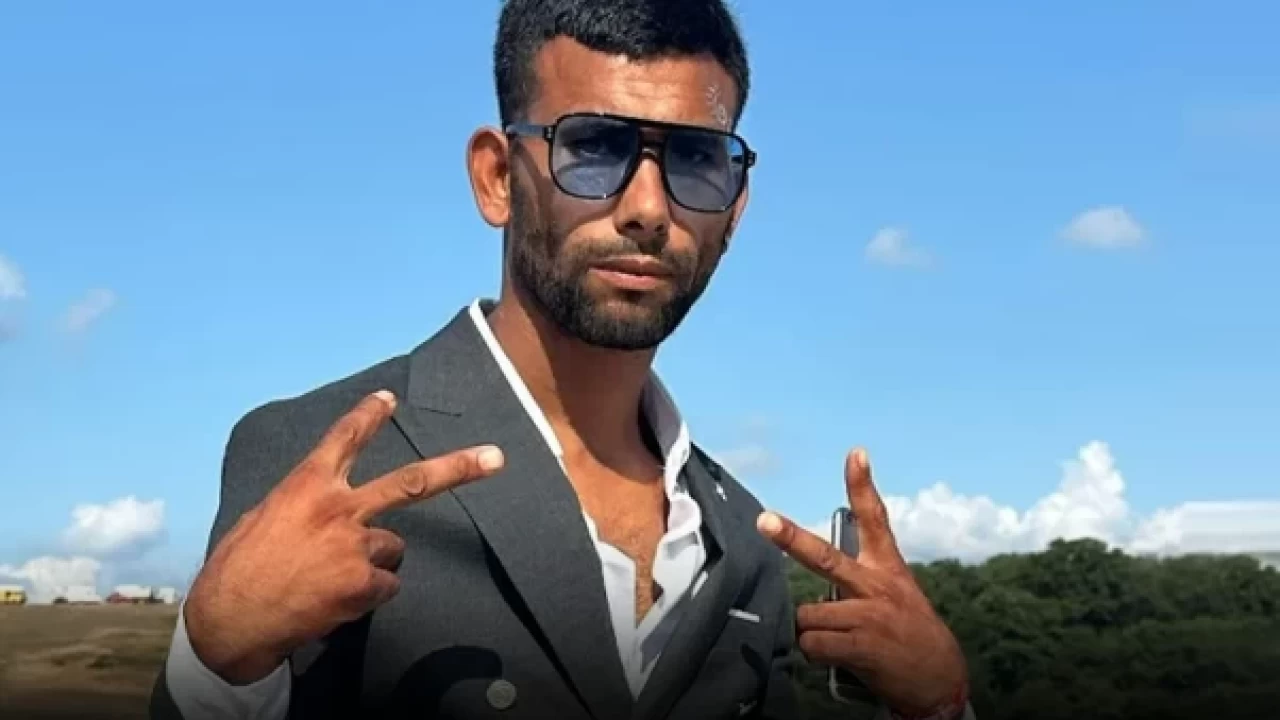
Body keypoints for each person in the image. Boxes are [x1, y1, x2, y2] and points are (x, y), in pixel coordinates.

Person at [150, 1, 973, 719]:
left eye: (694, 159)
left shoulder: (744, 546)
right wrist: (215, 662)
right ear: (496, 178)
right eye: (595, 147)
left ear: (735, 207)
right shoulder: (322, 459)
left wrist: (937, 704)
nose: (648, 208)